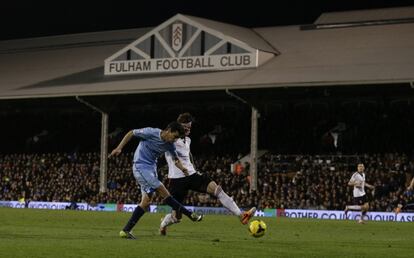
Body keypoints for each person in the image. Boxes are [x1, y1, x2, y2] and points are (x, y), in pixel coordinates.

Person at [159, 113, 256, 235]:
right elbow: (160, 140)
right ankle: (163, 223)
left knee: (217, 190)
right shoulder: (170, 139)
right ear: (178, 126)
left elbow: (188, 156)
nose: (188, 129)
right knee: (177, 217)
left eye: (190, 127)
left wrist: (193, 168)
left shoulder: (187, 140)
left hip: (192, 175)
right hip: (176, 180)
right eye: (185, 127)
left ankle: (241, 215)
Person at [109, 121, 203, 239]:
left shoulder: (170, 144)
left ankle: (125, 231)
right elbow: (131, 133)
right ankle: (190, 214)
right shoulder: (151, 132)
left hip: (151, 169)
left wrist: (183, 169)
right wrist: (119, 148)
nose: (175, 140)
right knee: (161, 189)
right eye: (174, 137)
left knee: (146, 202)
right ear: (169, 130)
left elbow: (175, 159)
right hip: (140, 166)